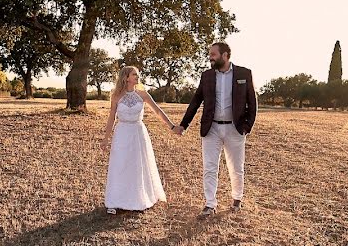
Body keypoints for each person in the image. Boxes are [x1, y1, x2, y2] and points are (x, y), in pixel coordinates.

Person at [173, 42, 257, 217]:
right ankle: (210, 204)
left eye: (213, 54)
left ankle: (237, 199)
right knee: (210, 167)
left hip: (235, 129)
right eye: (210, 54)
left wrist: (246, 127)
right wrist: (183, 124)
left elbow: (252, 102)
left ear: (225, 55)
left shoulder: (244, 73)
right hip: (211, 129)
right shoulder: (207, 76)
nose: (210, 57)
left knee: (236, 167)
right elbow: (196, 101)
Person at [101, 65, 173, 214]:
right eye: (134, 74)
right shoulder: (116, 96)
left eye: (137, 74)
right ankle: (114, 202)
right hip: (122, 133)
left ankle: (138, 198)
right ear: (126, 77)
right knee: (120, 165)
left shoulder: (143, 94)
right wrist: (105, 139)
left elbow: (158, 111)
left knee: (137, 165)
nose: (137, 76)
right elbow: (111, 118)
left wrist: (172, 126)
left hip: (138, 132)